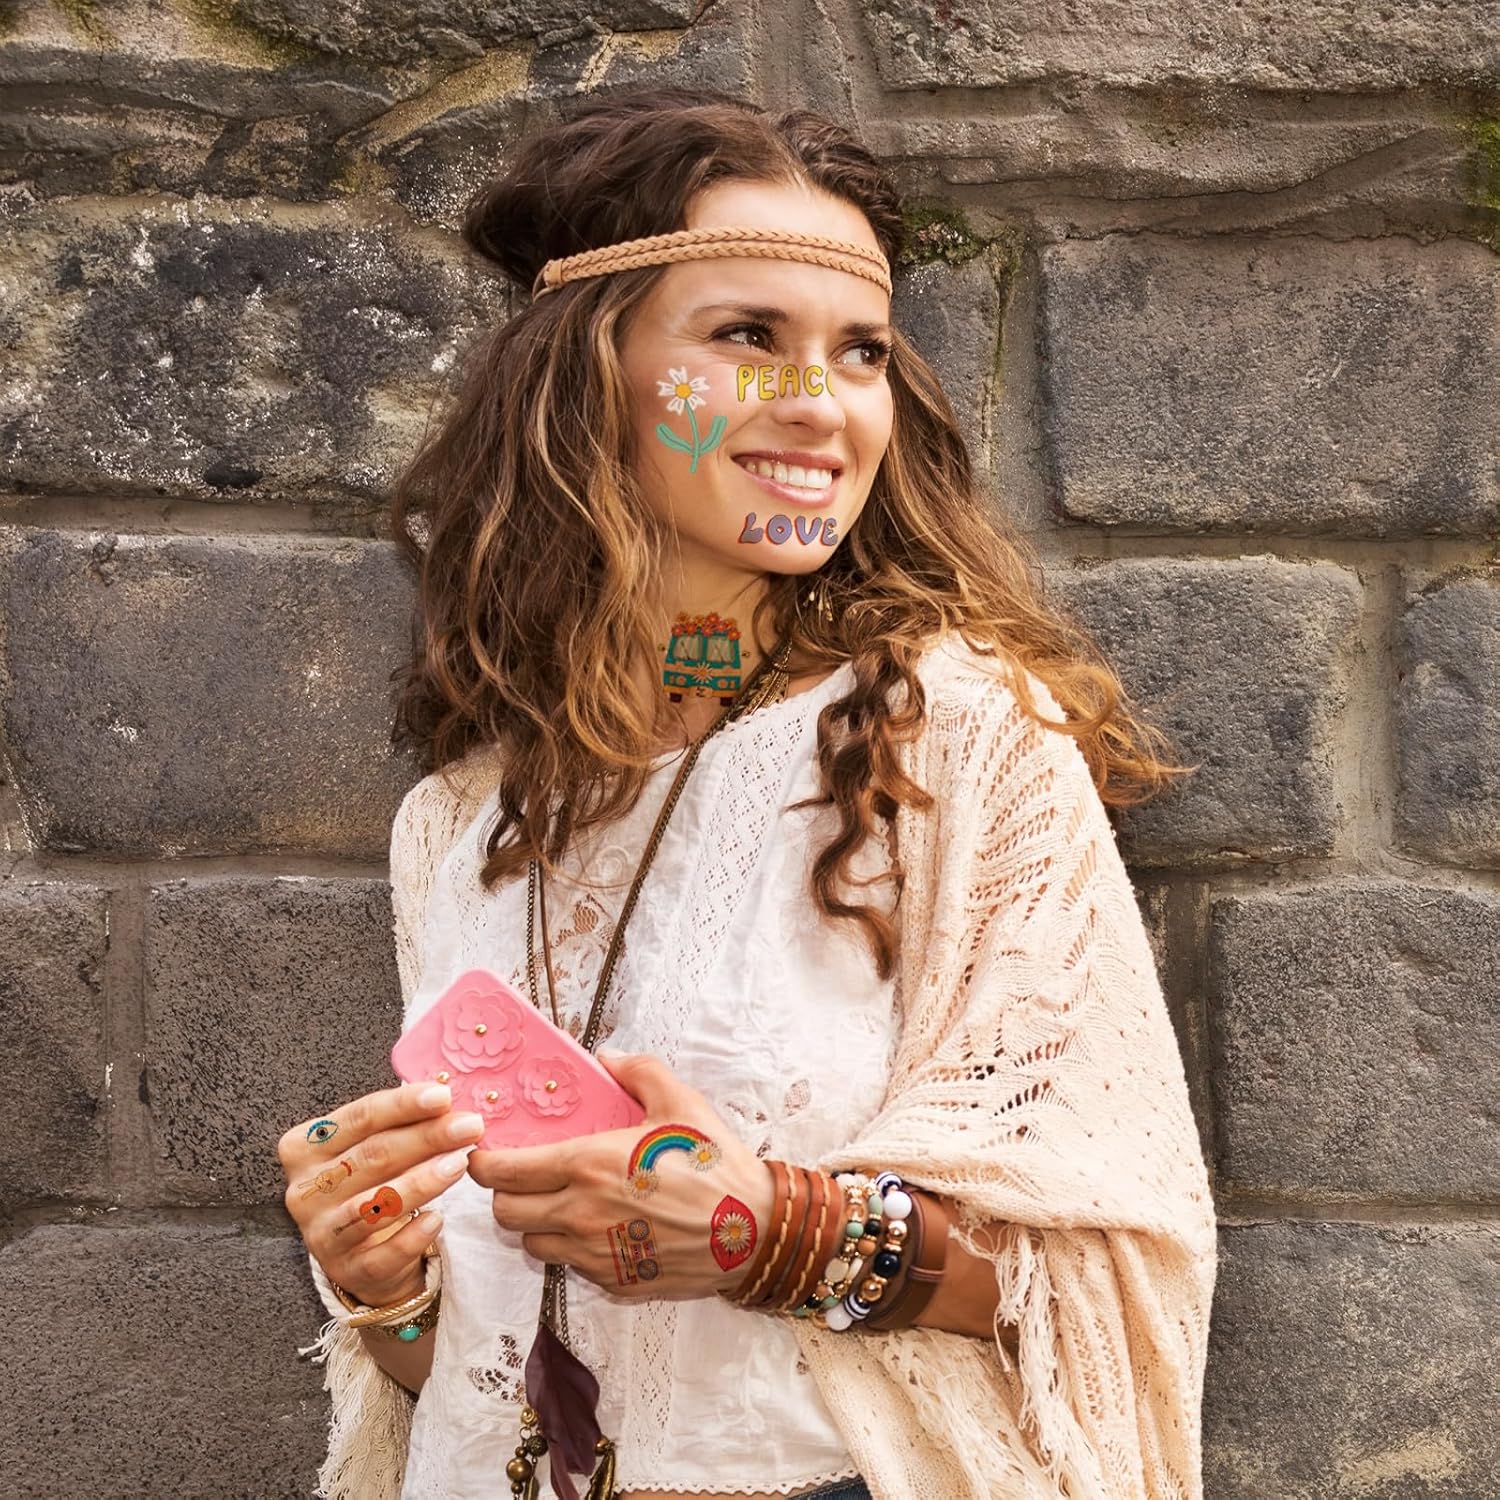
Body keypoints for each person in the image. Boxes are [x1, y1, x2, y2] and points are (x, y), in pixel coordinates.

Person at [277, 89, 1218, 1500]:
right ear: (587, 375)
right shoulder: (461, 822)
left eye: (860, 353)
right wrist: (388, 1283)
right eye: (747, 337)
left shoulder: (955, 742)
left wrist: (773, 1230)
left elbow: (1106, 1274)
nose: (819, 405)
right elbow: (485, 1370)